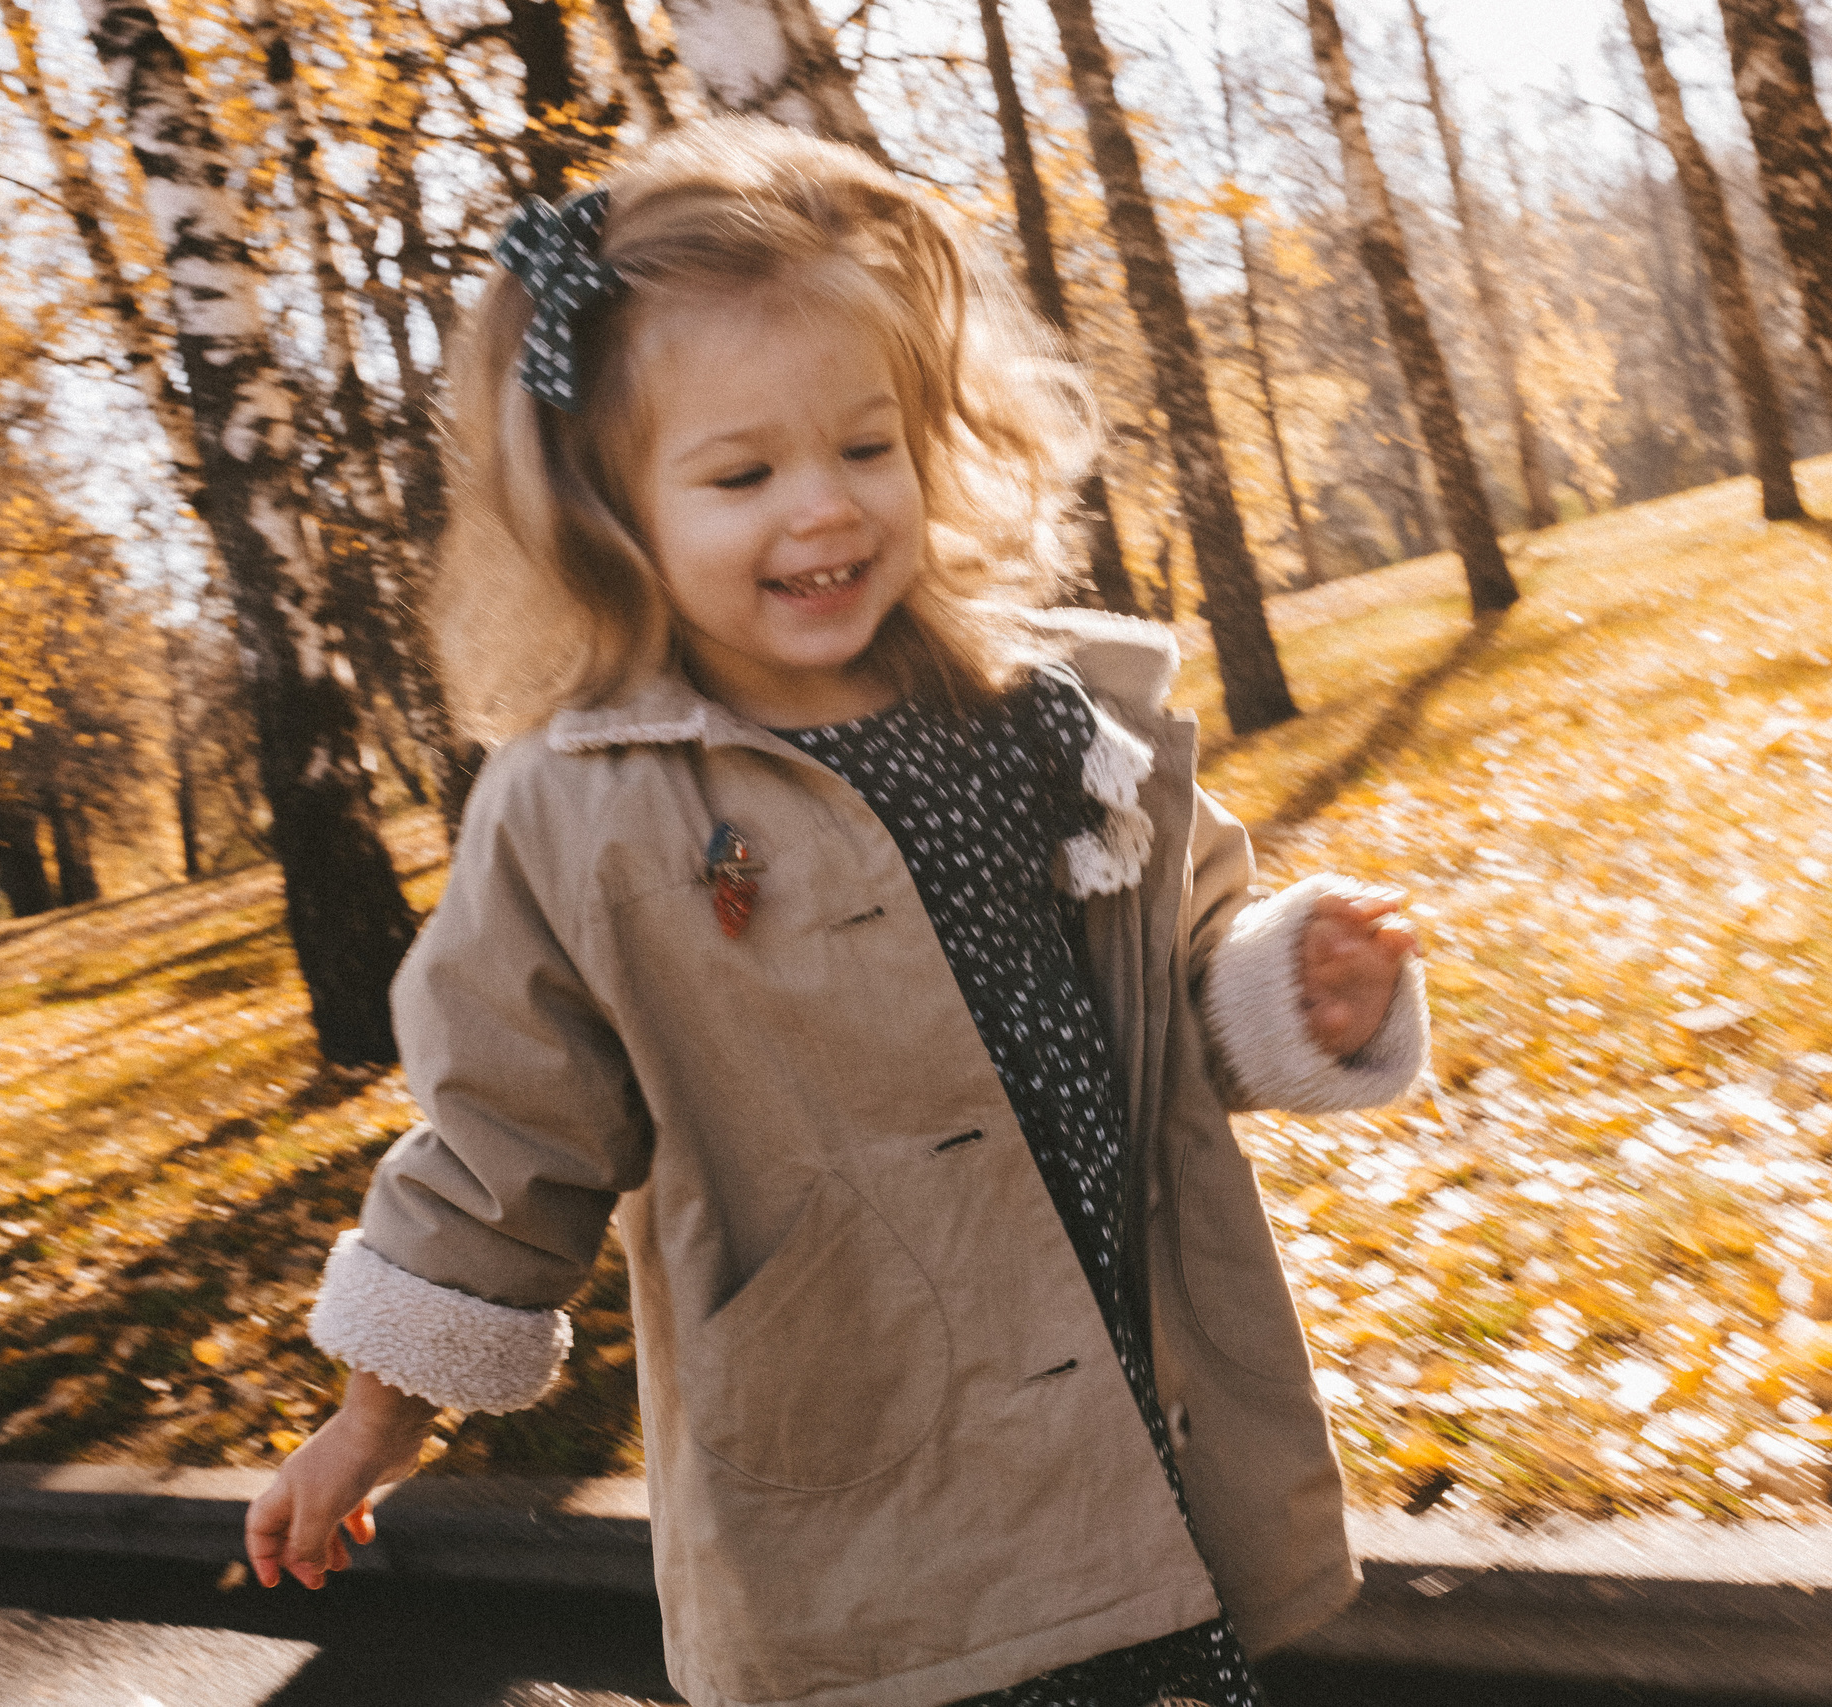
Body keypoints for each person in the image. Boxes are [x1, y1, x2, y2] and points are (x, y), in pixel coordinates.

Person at [244, 117, 1427, 1707]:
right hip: (871, 1473)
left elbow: (1169, 973)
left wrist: (1293, 988)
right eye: (743, 475)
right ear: (609, 508)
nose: (825, 510)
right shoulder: (586, 805)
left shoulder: (1037, 717)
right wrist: (377, 1417)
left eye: (867, 448)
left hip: (1127, 1413)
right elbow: (503, 1139)